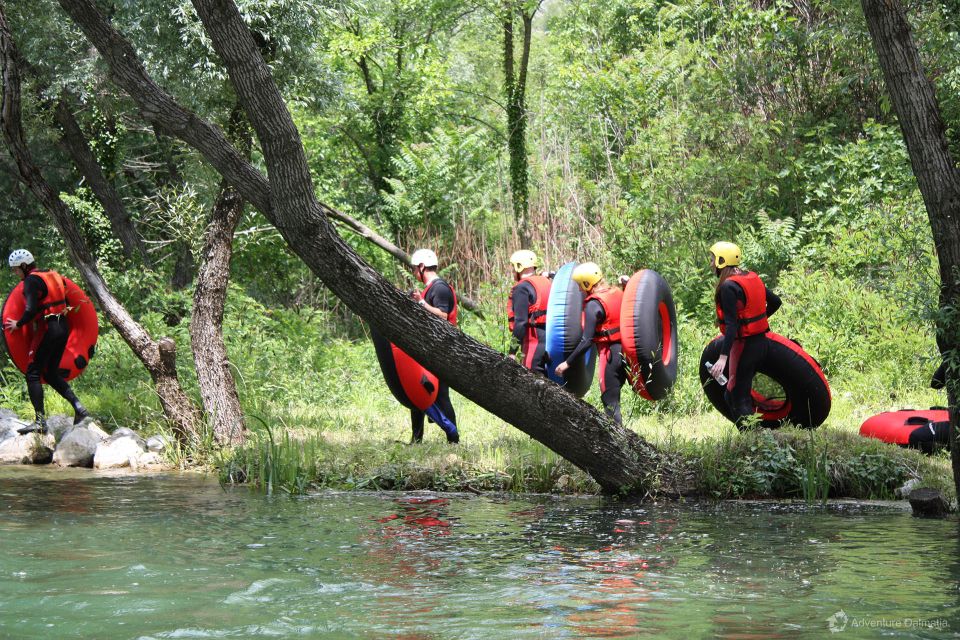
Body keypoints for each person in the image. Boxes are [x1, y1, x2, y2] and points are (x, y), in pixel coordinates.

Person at [3, 249, 90, 434]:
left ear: (24, 266)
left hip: (48, 329)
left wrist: (19, 324)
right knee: (50, 373)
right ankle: (79, 408)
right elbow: (65, 301)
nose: (15, 274)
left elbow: (31, 309)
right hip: (63, 328)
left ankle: (40, 421)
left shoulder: (30, 281)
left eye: (16, 270)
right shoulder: (52, 274)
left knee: (32, 373)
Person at [707, 241, 782, 429]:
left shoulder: (728, 287)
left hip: (744, 347)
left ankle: (755, 443)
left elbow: (732, 325)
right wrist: (756, 322)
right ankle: (755, 439)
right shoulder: (751, 278)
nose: (711, 263)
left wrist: (722, 358)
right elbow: (776, 302)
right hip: (760, 342)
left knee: (736, 396)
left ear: (722, 261)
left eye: (713, 259)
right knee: (733, 394)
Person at [555, 262, 627, 425]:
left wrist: (567, 363)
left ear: (587, 283)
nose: (580, 290)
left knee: (610, 400)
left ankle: (619, 443)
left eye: (580, 286)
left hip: (610, 356)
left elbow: (587, 340)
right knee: (614, 398)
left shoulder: (594, 304)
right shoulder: (617, 292)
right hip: (626, 351)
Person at [409, 248, 459, 444]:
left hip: (442, 350)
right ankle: (416, 438)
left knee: (441, 396)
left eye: (414, 269)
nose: (414, 272)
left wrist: (420, 303)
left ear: (422, 267)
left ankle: (453, 439)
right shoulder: (430, 288)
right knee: (415, 391)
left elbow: (442, 315)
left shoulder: (440, 288)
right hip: (429, 350)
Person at [507, 249, 551, 375]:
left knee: (531, 385)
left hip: (534, 343)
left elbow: (520, 322)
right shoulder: (546, 281)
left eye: (513, 267)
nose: (512, 271)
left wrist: (512, 352)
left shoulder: (521, 288)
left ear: (519, 267)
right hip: (550, 342)